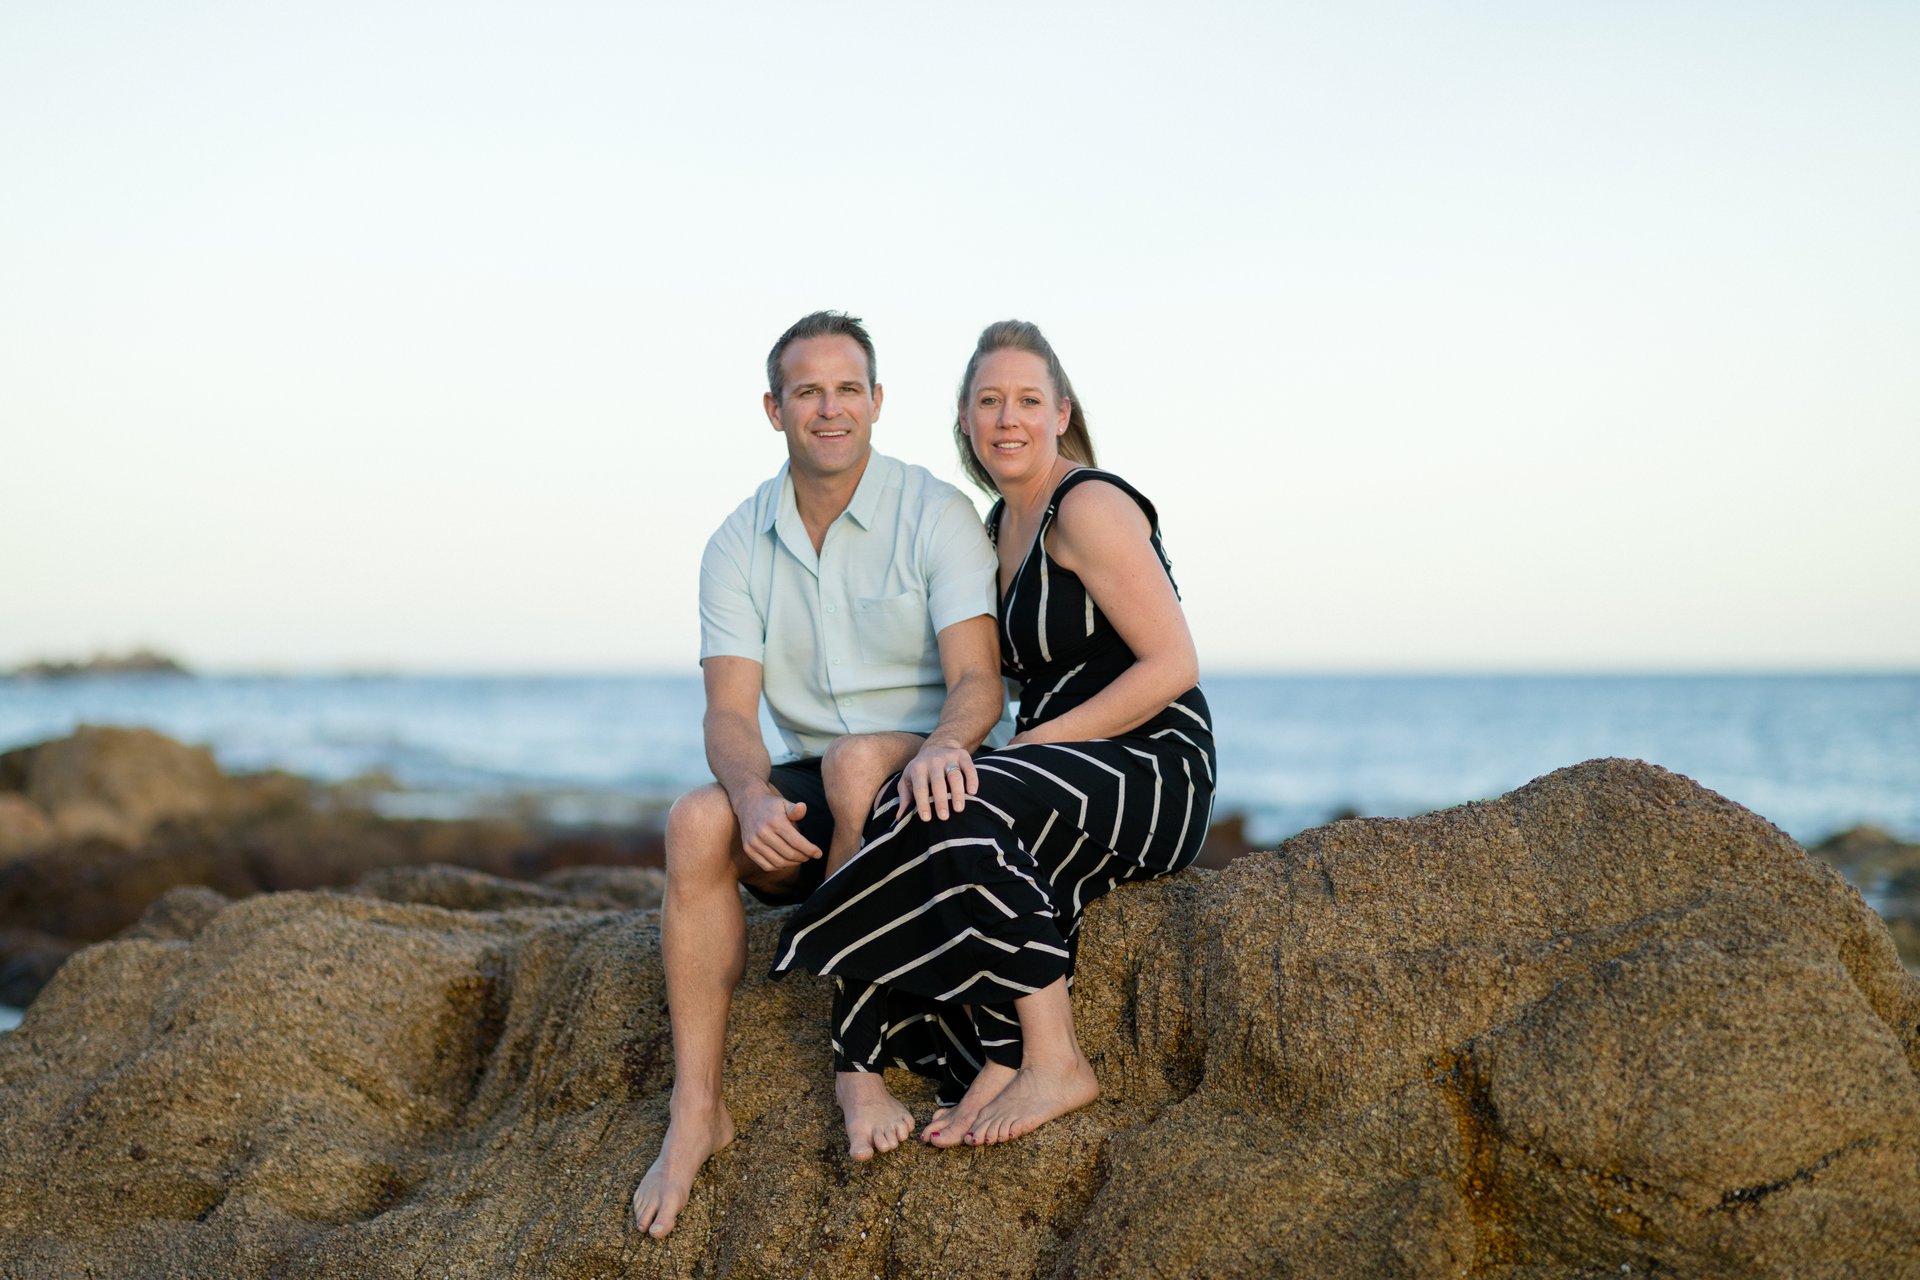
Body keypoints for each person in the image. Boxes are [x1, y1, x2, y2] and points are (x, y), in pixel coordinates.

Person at [771, 319, 1216, 1149]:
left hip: (1151, 763)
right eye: (988, 401)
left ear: (1059, 414)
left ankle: (1057, 1061)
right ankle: (897, 1060)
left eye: (1026, 401)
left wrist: (1029, 748)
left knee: (963, 802)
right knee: (908, 804)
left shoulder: (1088, 505)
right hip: (1065, 763)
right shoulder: (990, 532)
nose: (1007, 418)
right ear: (966, 421)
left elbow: (1173, 663)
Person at [630, 311, 1007, 1238]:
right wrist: (753, 794)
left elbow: (978, 682)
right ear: (775, 408)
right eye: (808, 391)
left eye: (848, 389)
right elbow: (728, 712)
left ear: (877, 403)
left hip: (933, 777)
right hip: (818, 787)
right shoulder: (736, 541)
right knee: (693, 820)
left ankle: (858, 1065)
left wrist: (946, 745)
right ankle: (697, 1113)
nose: (829, 408)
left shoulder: (935, 513)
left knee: (851, 762)